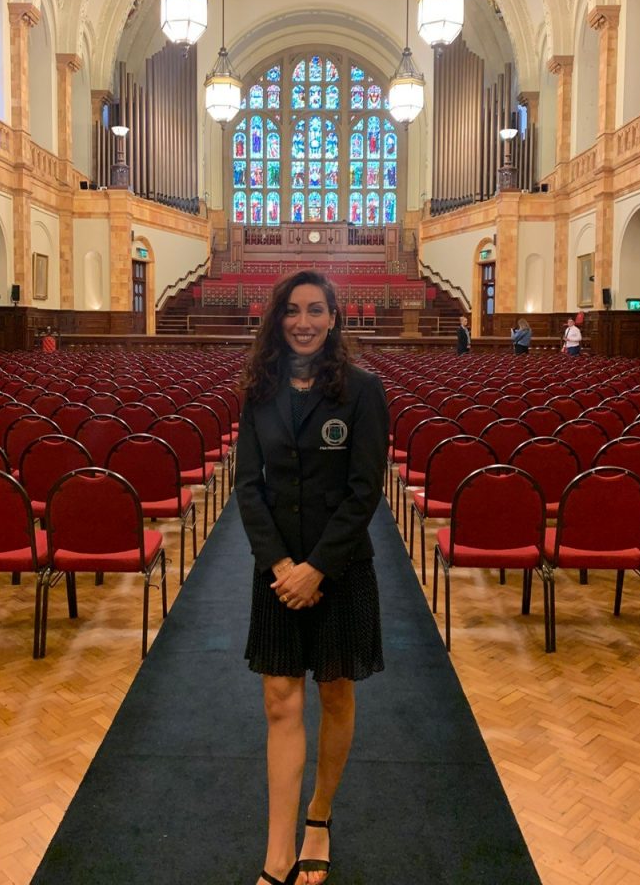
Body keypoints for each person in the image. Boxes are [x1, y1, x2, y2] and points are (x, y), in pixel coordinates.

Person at [235, 269, 389, 885]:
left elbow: (364, 491)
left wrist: (316, 568)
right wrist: (281, 567)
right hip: (276, 571)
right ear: (279, 318)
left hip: (340, 569)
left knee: (337, 693)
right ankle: (278, 848)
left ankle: (319, 817)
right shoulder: (258, 387)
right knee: (279, 701)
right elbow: (248, 487)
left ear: (333, 318)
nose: (303, 322)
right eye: (293, 310)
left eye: (315, 311)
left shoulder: (362, 389)